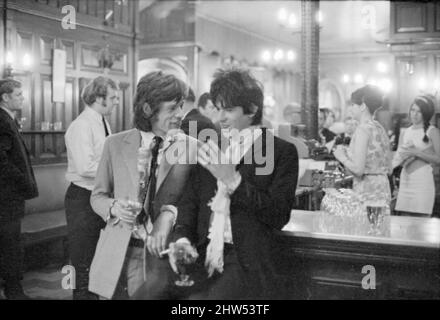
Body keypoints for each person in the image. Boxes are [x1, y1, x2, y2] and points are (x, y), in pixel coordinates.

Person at [133, 68, 299, 300]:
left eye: (229, 110)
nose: (220, 118)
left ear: (251, 110)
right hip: (201, 255)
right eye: (218, 109)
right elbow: (190, 204)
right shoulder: (212, 147)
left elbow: (278, 215)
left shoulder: (281, 151)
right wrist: (182, 238)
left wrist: (233, 181)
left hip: (243, 261)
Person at [89, 71, 197, 299]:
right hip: (117, 250)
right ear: (148, 110)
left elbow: (194, 204)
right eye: (172, 108)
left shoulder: (191, 148)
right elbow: (97, 196)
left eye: (181, 107)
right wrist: (114, 207)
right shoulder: (114, 144)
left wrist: (169, 215)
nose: (180, 114)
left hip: (161, 255)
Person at [64, 76, 119, 300]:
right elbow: (85, 167)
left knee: (97, 255)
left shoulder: (102, 121)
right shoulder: (81, 125)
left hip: (97, 196)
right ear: (98, 98)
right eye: (113, 98)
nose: (116, 102)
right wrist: (117, 168)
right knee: (81, 258)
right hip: (81, 198)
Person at [0, 79, 38, 299]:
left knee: (11, 243)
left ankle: (14, 288)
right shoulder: (2, 120)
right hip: (7, 196)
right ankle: (14, 291)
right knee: (10, 245)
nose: (22, 98)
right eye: (18, 95)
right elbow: (2, 162)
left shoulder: (8, 119)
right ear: (5, 97)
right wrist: (24, 181)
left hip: (10, 195)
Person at [333, 85, 391, 204]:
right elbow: (389, 168)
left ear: (363, 106)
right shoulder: (379, 127)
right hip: (383, 188)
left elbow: (359, 170)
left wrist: (341, 156)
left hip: (368, 190)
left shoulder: (362, 129)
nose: (351, 109)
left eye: (353, 105)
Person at [393, 95, 440, 217]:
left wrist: (417, 153)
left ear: (426, 113)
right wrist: (402, 159)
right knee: (404, 223)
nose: (415, 114)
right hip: (406, 181)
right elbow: (398, 156)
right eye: (413, 110)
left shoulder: (432, 131)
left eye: (419, 111)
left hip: (422, 182)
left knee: (422, 225)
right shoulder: (405, 131)